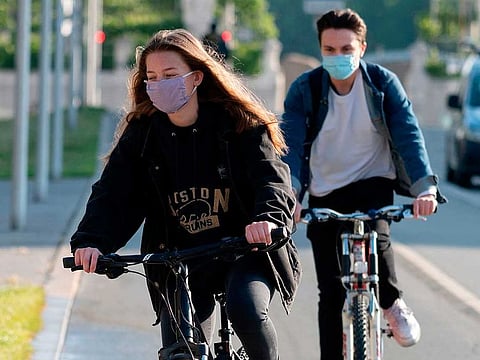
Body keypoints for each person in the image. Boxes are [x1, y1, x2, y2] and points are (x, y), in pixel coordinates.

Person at [70, 28, 301, 360]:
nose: (159, 83)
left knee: (246, 311)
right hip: (181, 258)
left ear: (196, 78)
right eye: (152, 76)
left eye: (170, 74)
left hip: (246, 248)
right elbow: (114, 191)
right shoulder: (144, 134)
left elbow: (272, 178)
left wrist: (267, 218)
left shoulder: (240, 124)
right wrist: (91, 241)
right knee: (181, 347)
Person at [281, 8, 446, 360]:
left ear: (362, 48)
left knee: (377, 232)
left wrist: (424, 189)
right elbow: (291, 146)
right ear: (321, 49)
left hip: (373, 178)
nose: (338, 56)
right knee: (331, 292)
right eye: (330, 49)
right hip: (325, 188)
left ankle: (391, 302)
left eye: (346, 49)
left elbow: (408, 134)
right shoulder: (304, 91)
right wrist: (290, 196)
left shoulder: (383, 84)